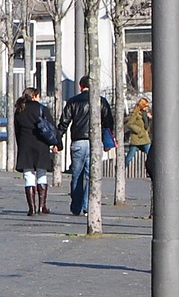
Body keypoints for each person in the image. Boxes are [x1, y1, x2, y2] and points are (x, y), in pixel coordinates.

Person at [57, 75, 116, 216]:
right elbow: (108, 123)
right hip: (95, 143)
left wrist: (57, 141)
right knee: (92, 176)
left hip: (78, 142)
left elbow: (63, 123)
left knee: (77, 175)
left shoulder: (73, 101)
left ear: (80, 86)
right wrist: (108, 142)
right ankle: (87, 206)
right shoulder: (101, 101)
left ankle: (76, 206)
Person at [13, 87, 55, 216]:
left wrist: (20, 144)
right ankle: (42, 206)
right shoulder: (42, 109)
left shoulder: (19, 110)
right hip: (41, 144)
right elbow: (51, 128)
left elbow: (17, 130)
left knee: (28, 176)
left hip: (26, 145)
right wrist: (56, 144)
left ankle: (31, 208)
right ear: (35, 96)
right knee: (42, 173)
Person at [124, 97, 153, 166]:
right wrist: (139, 130)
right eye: (145, 106)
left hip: (145, 139)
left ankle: (151, 170)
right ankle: (121, 169)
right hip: (136, 139)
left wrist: (149, 119)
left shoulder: (145, 114)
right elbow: (129, 124)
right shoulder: (135, 113)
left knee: (151, 156)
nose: (147, 108)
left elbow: (146, 126)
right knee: (129, 157)